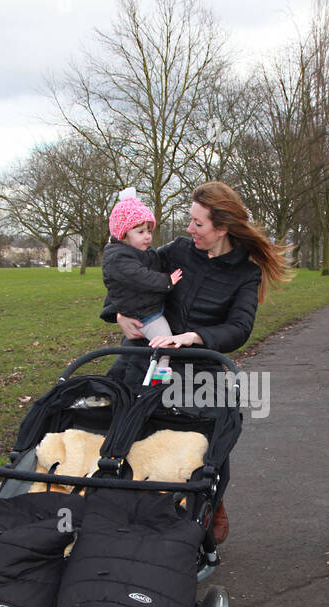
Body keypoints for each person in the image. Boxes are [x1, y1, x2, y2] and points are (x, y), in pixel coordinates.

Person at [100, 181, 291, 544]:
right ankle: (123, 513)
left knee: (210, 437)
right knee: (125, 435)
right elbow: (125, 272)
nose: (189, 229)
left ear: (222, 228)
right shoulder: (177, 252)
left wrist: (194, 337)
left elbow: (239, 328)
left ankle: (211, 502)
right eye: (190, 221)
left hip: (199, 367)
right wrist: (118, 311)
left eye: (197, 224)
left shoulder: (245, 273)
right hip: (145, 358)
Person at [101, 188, 183, 385]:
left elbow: (152, 263)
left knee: (156, 348)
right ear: (123, 235)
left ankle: (155, 377)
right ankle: (159, 380)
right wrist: (167, 281)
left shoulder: (139, 251)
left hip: (145, 309)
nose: (147, 236)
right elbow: (141, 278)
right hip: (145, 314)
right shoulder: (119, 257)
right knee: (166, 343)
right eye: (140, 231)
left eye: (149, 231)